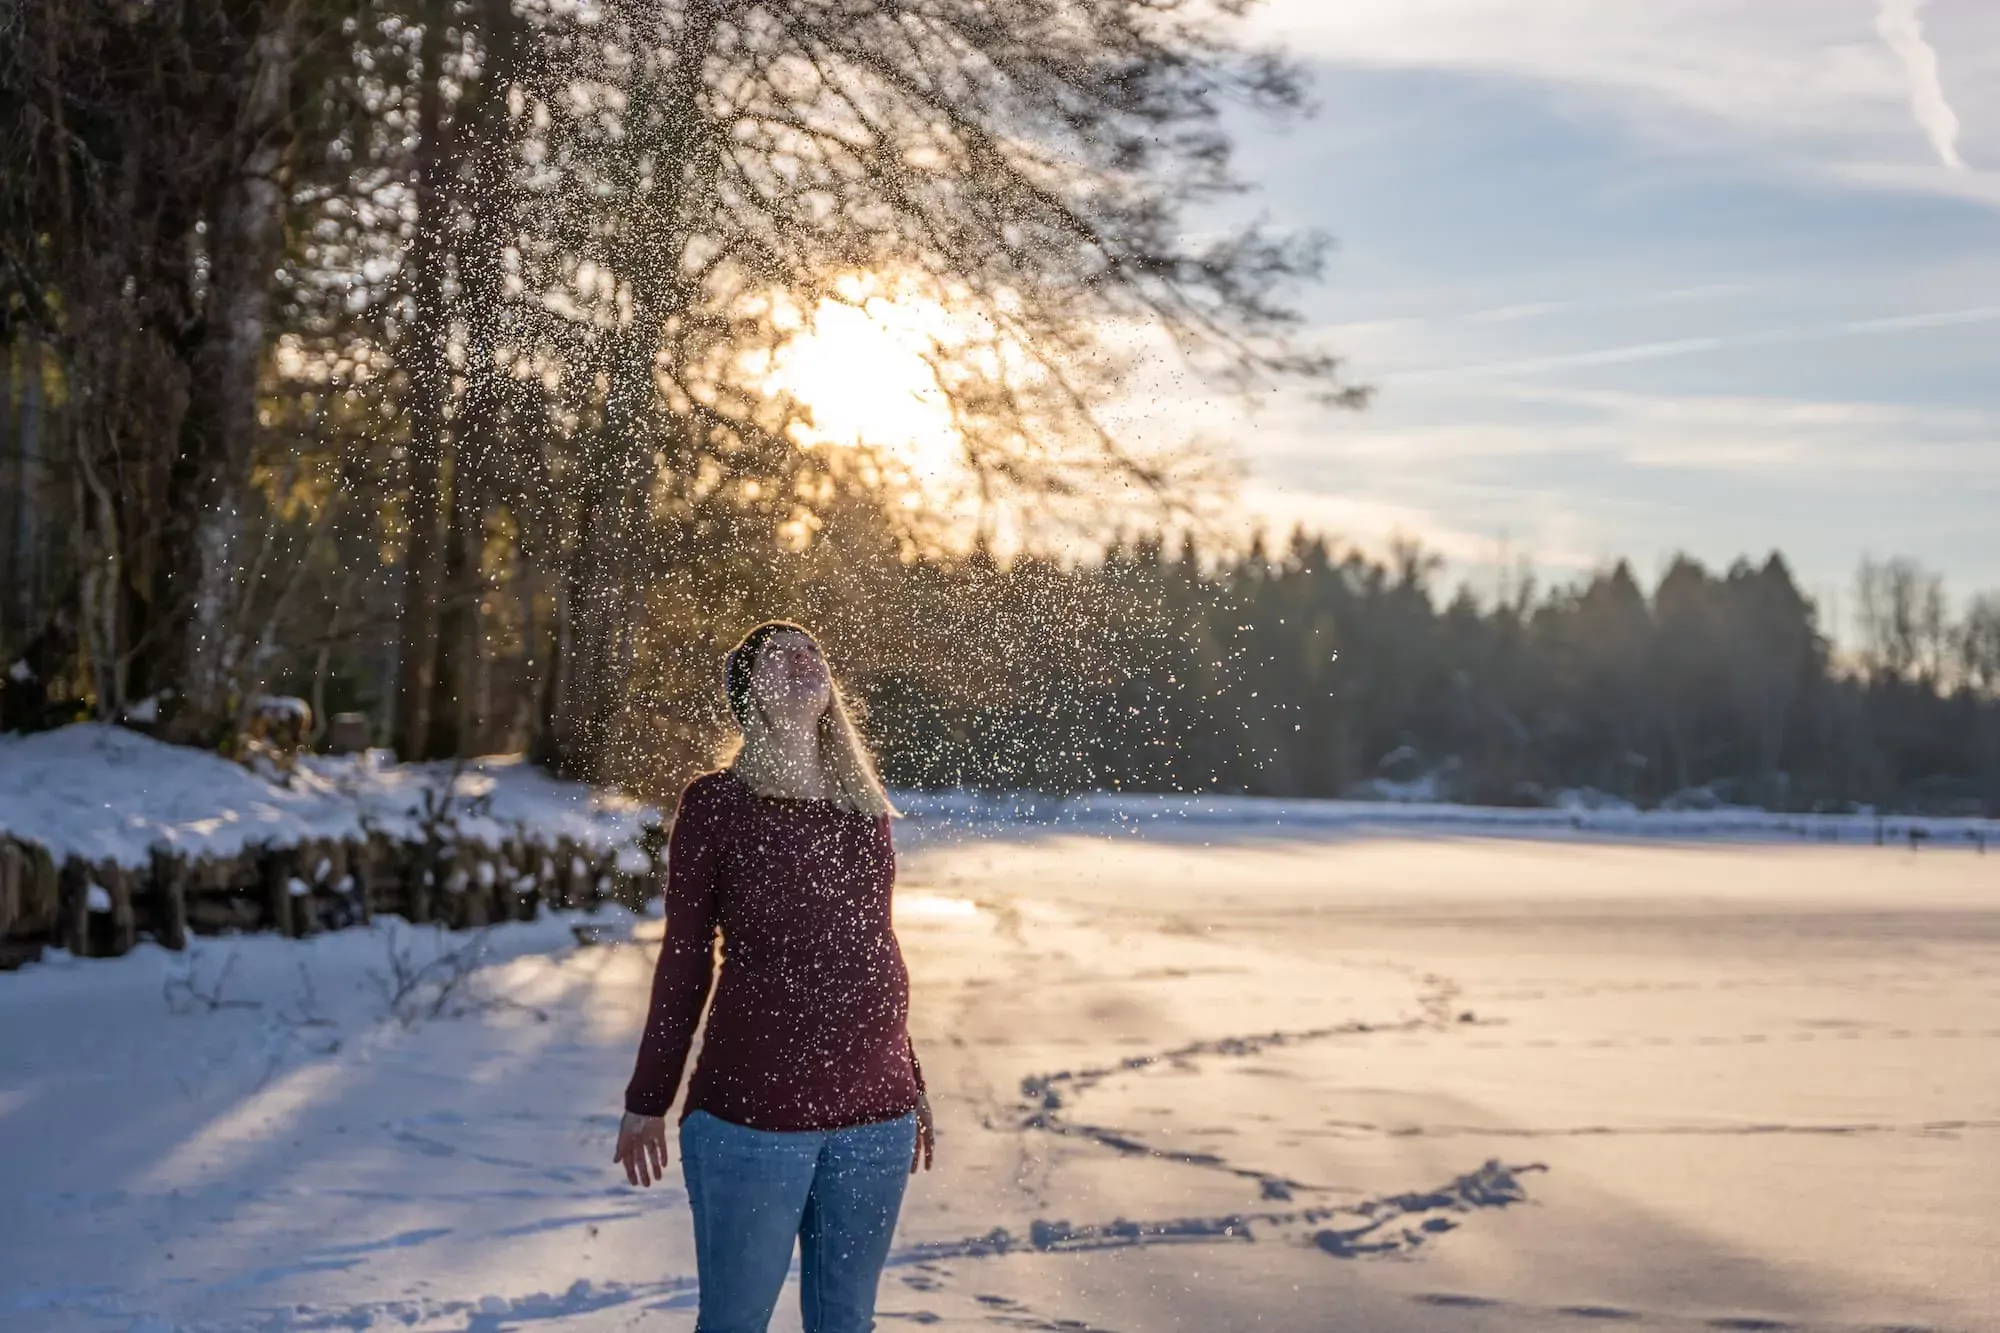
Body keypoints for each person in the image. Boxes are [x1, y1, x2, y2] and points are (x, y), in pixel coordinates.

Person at [614, 619, 935, 1333]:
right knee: (735, 1322)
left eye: (813, 649)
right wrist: (649, 1095)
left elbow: (871, 946)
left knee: (847, 1322)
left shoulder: (863, 809)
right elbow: (685, 957)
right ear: (748, 693)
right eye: (777, 655)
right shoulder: (718, 803)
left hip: (876, 1119)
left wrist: (908, 1072)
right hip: (752, 1114)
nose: (802, 659)